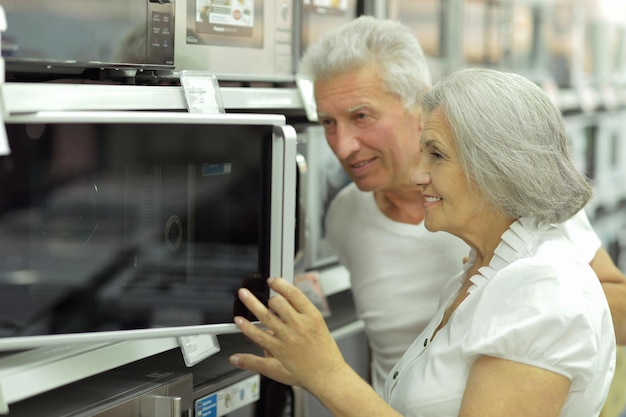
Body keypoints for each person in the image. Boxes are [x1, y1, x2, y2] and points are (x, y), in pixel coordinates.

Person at [229, 67, 616, 417]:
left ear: (497, 168)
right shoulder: (481, 272)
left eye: (436, 155)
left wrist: (328, 373)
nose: (417, 175)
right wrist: (312, 371)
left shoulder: (540, 290)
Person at [295, 15, 626, 396]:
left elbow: (592, 312)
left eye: (361, 117)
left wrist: (520, 320)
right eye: (327, 123)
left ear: (418, 104)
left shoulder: (513, 202)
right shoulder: (345, 217)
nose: (341, 146)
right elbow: (387, 352)